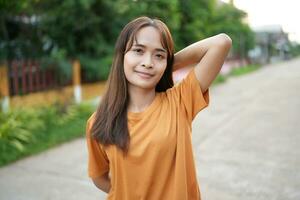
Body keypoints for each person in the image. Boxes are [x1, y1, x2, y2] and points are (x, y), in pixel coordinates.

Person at [86, 16, 232, 200]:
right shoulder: (98, 121)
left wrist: (165, 66)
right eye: (138, 51)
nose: (148, 62)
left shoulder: (179, 102)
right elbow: (99, 177)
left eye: (159, 55)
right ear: (121, 55)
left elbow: (221, 43)